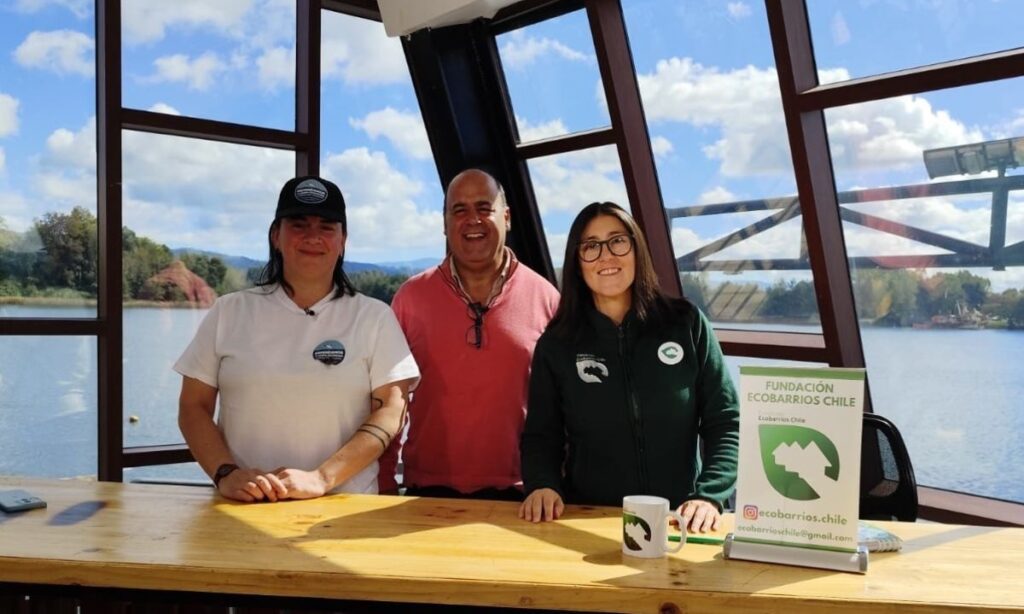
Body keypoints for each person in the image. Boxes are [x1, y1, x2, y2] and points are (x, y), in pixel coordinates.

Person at [175, 176, 420, 502]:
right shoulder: (229, 312)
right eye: (299, 224)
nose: (312, 237)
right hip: (243, 506)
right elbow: (193, 406)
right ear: (276, 236)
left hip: (345, 508)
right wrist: (226, 474)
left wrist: (322, 478)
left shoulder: (374, 317)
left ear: (343, 239)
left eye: (326, 227)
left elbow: (392, 410)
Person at [519, 202, 739, 532]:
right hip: (590, 520)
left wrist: (708, 496)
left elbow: (725, 421)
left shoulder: (686, 325)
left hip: (680, 521)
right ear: (577, 263)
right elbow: (541, 436)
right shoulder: (557, 343)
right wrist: (542, 485)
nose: (606, 256)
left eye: (617, 241)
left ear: (637, 250)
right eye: (590, 246)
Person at [378, 169, 560, 500]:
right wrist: (386, 483)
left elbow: (564, 409)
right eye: (459, 210)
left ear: (506, 218)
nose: (472, 219)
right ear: (445, 223)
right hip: (426, 490)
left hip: (522, 493)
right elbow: (388, 402)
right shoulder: (410, 299)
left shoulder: (546, 299)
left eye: (483, 208)